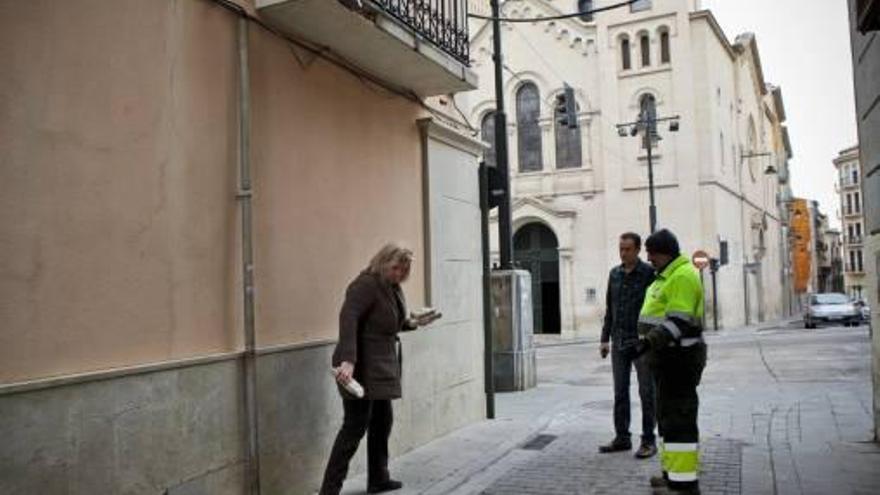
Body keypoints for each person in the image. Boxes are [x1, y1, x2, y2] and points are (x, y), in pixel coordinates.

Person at [319, 244, 439, 495]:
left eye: (403, 271)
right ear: (383, 262)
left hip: (381, 365)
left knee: (383, 421)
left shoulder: (391, 287)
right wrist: (348, 361)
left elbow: (388, 324)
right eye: (395, 268)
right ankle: (329, 489)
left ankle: (378, 479)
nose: (398, 274)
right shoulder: (365, 284)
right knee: (354, 426)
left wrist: (414, 322)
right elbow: (348, 318)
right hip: (360, 366)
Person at [636, 229, 707, 495]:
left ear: (663, 252)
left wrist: (647, 342)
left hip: (680, 360)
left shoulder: (683, 276)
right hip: (667, 360)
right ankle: (671, 476)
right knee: (667, 420)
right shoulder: (667, 275)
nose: (648, 258)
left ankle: (684, 485)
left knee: (679, 421)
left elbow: (678, 321)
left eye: (650, 253)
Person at [598, 232, 658, 458]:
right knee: (620, 392)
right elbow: (609, 309)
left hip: (642, 342)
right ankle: (622, 437)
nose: (623, 253)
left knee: (646, 392)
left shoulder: (649, 274)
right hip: (619, 341)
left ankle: (648, 440)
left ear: (638, 250)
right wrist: (605, 339)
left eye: (628, 249)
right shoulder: (614, 274)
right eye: (620, 249)